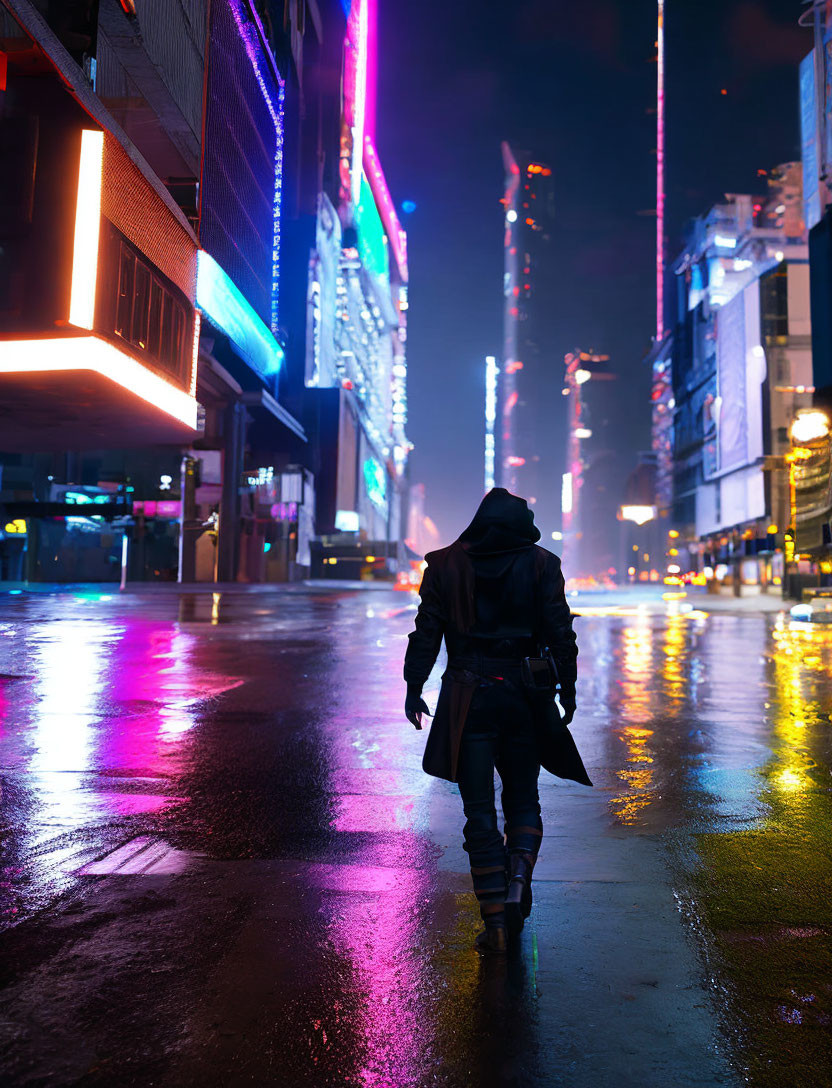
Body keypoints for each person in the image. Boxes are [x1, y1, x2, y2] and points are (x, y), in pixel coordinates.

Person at [403, 488, 591, 954]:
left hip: (467, 695)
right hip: (526, 696)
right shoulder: (543, 564)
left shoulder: (444, 564)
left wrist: (413, 686)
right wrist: (566, 689)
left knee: (479, 812)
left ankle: (495, 922)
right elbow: (560, 632)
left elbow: (427, 630)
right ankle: (518, 878)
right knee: (524, 798)